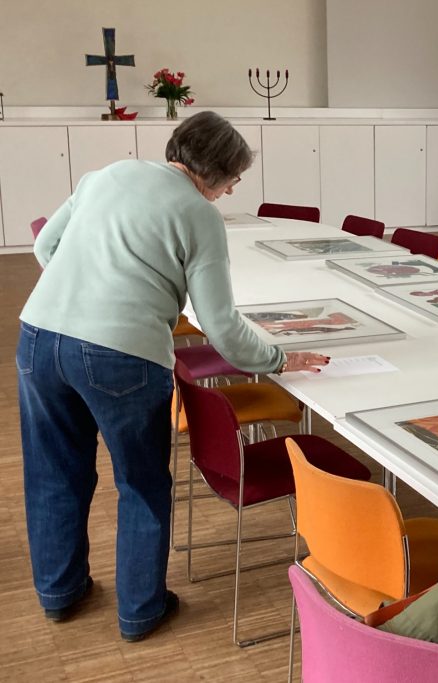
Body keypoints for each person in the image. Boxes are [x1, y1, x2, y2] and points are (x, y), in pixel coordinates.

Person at [16, 111, 328, 641]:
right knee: (140, 483)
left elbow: (46, 248)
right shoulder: (198, 214)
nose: (230, 191)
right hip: (122, 356)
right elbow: (222, 328)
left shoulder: (106, 175)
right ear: (216, 172)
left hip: (39, 336)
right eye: (233, 180)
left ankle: (59, 594)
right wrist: (278, 359)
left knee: (53, 474)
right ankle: (140, 611)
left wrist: (87, 289)